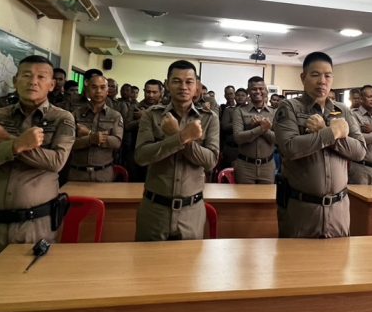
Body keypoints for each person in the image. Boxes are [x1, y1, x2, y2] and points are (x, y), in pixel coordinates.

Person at [0, 55, 75, 273]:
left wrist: (7, 140)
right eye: (26, 75)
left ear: (52, 85)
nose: (33, 82)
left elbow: (56, 162)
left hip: (36, 224)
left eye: (41, 77)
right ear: (15, 81)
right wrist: (15, 146)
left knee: (32, 283)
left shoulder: (61, 118)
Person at [274, 52, 366, 237]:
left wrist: (325, 132)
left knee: (338, 255)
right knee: (298, 255)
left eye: (328, 75)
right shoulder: (289, 107)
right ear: (303, 77)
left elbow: (360, 151)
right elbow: (290, 148)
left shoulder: (343, 110)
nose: (322, 81)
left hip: (339, 209)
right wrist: (332, 133)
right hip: (302, 209)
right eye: (315, 75)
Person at [134, 60, 219, 240]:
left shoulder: (209, 118)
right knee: (148, 257)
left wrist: (177, 136)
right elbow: (141, 156)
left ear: (197, 86)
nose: (183, 87)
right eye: (176, 81)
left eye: (189, 82)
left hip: (192, 211)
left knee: (190, 259)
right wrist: (182, 137)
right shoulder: (152, 115)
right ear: (167, 84)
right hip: (155, 210)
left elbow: (210, 162)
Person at [67, 74, 123, 182]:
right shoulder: (75, 114)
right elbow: (68, 143)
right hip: (77, 173)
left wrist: (89, 134)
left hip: (103, 172)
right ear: (87, 89)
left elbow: (116, 142)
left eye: (102, 87)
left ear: (107, 90)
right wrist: (90, 139)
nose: (98, 91)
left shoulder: (115, 116)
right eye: (94, 87)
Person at [233, 76, 276, 183]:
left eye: (261, 88)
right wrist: (261, 128)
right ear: (248, 91)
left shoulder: (274, 112)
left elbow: (278, 140)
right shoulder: (239, 111)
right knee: (243, 194)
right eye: (254, 89)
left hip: (268, 166)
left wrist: (263, 129)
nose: (258, 91)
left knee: (267, 194)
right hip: (245, 167)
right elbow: (238, 138)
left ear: (266, 90)